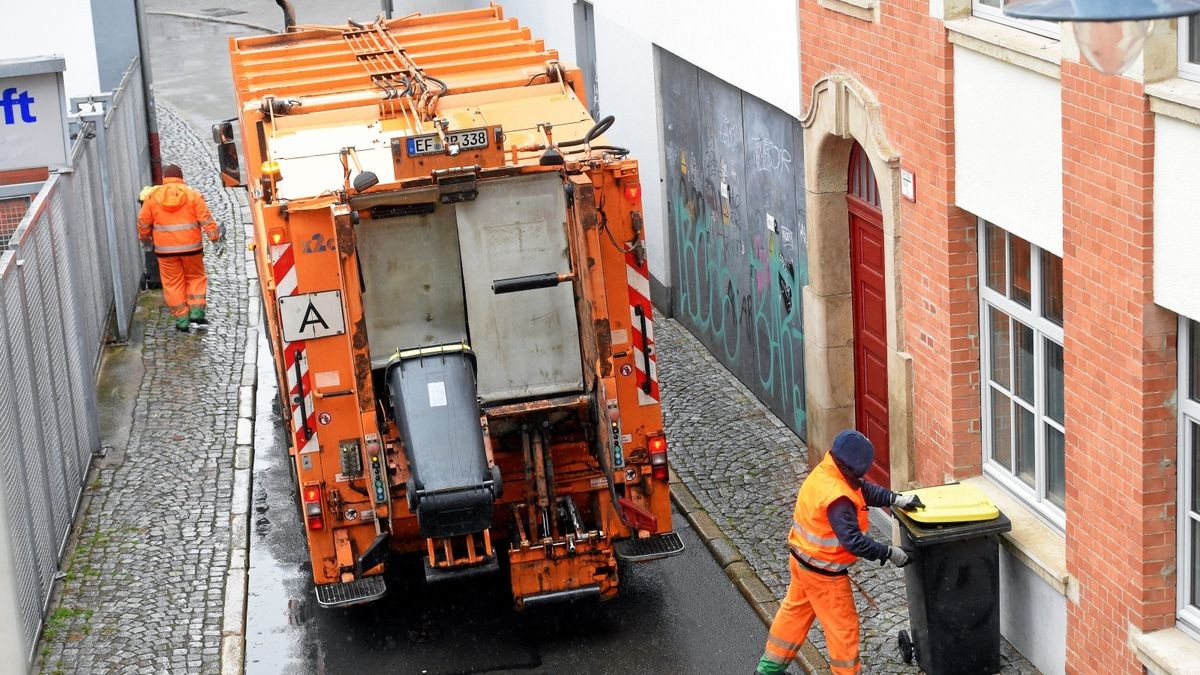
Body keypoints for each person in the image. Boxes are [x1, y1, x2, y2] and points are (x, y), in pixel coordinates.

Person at [755, 430, 924, 675]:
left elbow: (862, 490)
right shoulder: (838, 499)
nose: (863, 476)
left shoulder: (828, 471)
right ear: (854, 469)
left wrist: (895, 498)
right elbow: (854, 542)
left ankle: (767, 671)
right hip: (824, 575)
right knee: (843, 631)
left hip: (802, 562)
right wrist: (890, 553)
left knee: (793, 616)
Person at [137, 164, 224, 332]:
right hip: (192, 249)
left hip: (165, 252)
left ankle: (182, 320)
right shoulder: (193, 195)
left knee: (172, 284)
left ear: (164, 178)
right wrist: (215, 240)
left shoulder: (152, 197)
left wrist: (145, 241)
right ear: (181, 178)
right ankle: (197, 314)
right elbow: (206, 219)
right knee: (195, 278)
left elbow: (143, 222)